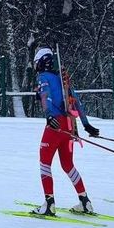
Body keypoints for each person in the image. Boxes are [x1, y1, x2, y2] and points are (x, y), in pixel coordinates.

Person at [30, 47, 100, 217]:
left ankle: (49, 203)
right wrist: (86, 125)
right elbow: (76, 103)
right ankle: (85, 201)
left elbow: (45, 94)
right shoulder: (63, 79)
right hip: (69, 126)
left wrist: (48, 115)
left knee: (44, 162)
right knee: (68, 164)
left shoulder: (43, 77)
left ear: (40, 62)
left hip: (54, 125)